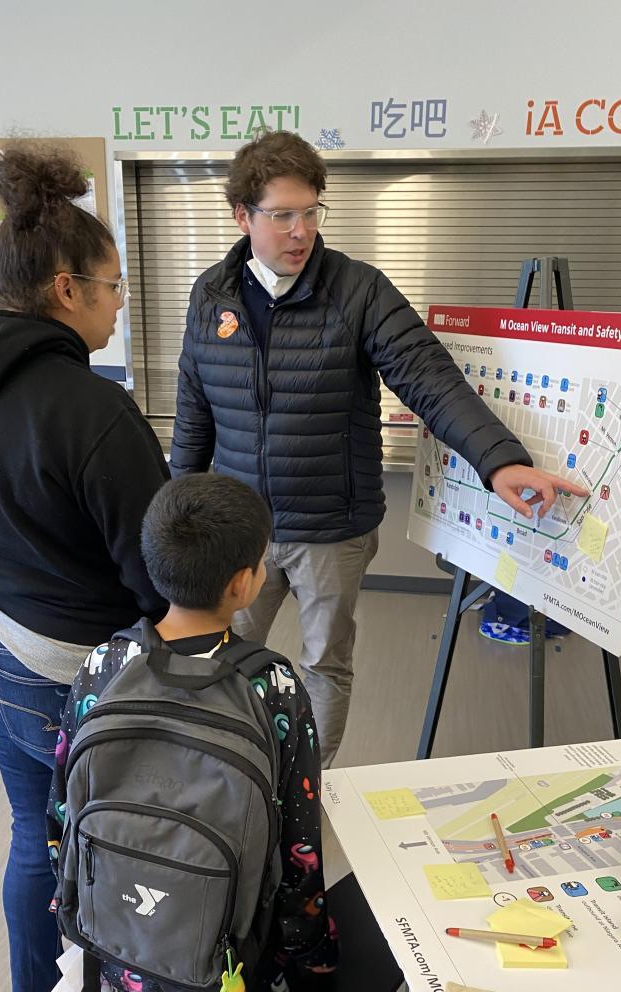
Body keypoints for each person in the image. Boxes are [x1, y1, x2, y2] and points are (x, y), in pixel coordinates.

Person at [171, 131, 588, 767]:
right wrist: (179, 509)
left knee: (324, 664)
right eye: (282, 215)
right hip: (238, 526)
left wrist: (498, 458)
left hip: (330, 529)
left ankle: (307, 791)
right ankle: (229, 776)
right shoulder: (212, 295)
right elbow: (195, 408)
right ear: (243, 216)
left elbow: (429, 375)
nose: (300, 230)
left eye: (311, 212)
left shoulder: (358, 291)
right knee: (220, 656)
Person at [0, 143, 169, 992]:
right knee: (116, 849)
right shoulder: (94, 412)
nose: (118, 303)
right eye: (111, 286)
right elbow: (157, 574)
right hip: (64, 672)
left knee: (35, 831)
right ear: (67, 290)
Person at [47, 474, 337, 992]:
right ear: (243, 582)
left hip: (117, 943)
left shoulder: (104, 664)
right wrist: (312, 952)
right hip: (227, 963)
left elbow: (60, 816)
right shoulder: (273, 684)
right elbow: (297, 843)